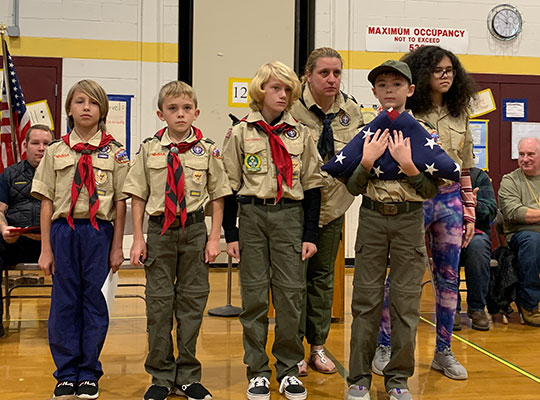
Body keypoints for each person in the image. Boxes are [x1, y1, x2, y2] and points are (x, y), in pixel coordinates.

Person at [372, 46, 477, 381]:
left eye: (450, 70)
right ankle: (385, 345)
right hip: (414, 198)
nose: (446, 76)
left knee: (448, 279)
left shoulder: (460, 114)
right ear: (422, 75)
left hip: (450, 204)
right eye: (438, 71)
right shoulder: (406, 112)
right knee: (402, 278)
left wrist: (470, 211)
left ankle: (443, 351)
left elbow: (466, 167)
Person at [221, 61, 324, 400]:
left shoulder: (302, 135)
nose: (283, 94)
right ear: (260, 91)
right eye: (276, 88)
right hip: (252, 217)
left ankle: (288, 369)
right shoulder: (240, 133)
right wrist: (230, 235)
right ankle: (257, 371)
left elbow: (312, 187)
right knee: (253, 300)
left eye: (288, 89)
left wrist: (310, 234)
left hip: (290, 218)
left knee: (291, 297)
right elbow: (229, 186)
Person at [123, 81, 231, 400]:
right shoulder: (149, 149)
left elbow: (220, 196)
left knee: (191, 304)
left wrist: (215, 239)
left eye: (186, 108)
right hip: (159, 232)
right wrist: (139, 239)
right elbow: (138, 195)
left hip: (195, 230)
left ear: (196, 112)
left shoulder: (208, 149)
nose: (180, 114)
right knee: (158, 305)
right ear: (161, 114)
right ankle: (159, 376)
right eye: (173, 109)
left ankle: (187, 375)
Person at [342, 60, 439, 400]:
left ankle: (398, 379)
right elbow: (352, 188)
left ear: (410, 90)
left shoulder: (422, 133)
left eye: (396, 85)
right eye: (382, 85)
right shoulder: (365, 132)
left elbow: (430, 190)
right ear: (374, 92)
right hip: (371, 220)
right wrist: (367, 160)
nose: (389, 91)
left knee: (405, 304)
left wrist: (410, 165)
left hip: (408, 221)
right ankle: (358, 379)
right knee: (365, 303)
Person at [31, 80, 129, 399]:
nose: (86, 107)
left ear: (102, 110)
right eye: (79, 101)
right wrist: (45, 248)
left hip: (99, 232)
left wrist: (117, 247)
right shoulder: (56, 151)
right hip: (63, 231)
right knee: (64, 303)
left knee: (94, 303)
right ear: (69, 109)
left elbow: (120, 202)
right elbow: (46, 201)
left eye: (93, 102)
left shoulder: (115, 153)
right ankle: (66, 372)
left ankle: (88, 371)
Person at [289, 47, 363, 375]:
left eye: (337, 73)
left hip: (333, 209)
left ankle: (318, 347)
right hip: (294, 211)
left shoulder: (352, 111)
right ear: (308, 75)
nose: (332, 79)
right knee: (292, 282)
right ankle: (291, 349)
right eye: (324, 73)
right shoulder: (290, 108)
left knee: (322, 279)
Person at [0, 124, 53, 338]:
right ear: (25, 145)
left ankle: (68, 325)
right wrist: (4, 230)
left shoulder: (63, 174)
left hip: (53, 243)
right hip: (18, 242)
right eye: (35, 143)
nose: (41, 148)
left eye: (46, 144)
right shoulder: (9, 174)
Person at [499, 137, 540, 327]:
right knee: (532, 241)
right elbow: (515, 212)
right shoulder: (510, 180)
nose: (525, 159)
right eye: (521, 154)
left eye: (531, 154)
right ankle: (529, 305)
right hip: (521, 235)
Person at [454, 167, 497, 331]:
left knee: (478, 247)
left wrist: (475, 204)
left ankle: (477, 307)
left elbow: (491, 211)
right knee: (446, 247)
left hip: (477, 232)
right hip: (446, 231)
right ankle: (452, 308)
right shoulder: (437, 171)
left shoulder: (479, 176)